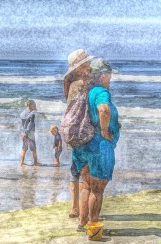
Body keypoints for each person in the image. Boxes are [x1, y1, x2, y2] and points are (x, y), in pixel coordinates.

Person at [71, 58, 120, 234]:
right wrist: (105, 131)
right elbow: (103, 110)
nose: (111, 78)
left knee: (86, 185)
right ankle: (93, 229)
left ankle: (83, 223)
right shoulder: (100, 92)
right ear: (103, 75)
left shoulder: (86, 90)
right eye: (109, 74)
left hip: (82, 145)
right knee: (97, 190)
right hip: (98, 146)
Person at [63, 49, 93, 218]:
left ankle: (75, 207)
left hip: (71, 129)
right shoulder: (84, 84)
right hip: (83, 130)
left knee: (75, 169)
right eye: (87, 62)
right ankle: (83, 209)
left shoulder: (70, 82)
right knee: (85, 171)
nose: (90, 64)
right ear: (81, 66)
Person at [20, 100, 39, 166]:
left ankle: (22, 162)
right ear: (30, 105)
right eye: (34, 105)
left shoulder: (22, 113)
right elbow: (30, 125)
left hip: (23, 133)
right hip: (30, 134)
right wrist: (27, 133)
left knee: (24, 149)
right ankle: (35, 162)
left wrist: (23, 133)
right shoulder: (32, 114)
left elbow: (21, 125)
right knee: (34, 149)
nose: (35, 106)